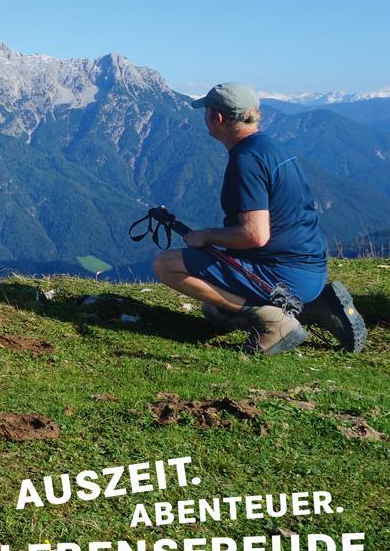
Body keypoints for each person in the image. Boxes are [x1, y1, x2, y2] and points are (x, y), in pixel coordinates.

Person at [151, 82, 367, 355]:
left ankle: (274, 321)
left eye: (206, 112)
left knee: (166, 264)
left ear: (217, 118)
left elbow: (255, 235)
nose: (205, 118)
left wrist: (206, 235)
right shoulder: (270, 147)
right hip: (311, 270)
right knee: (214, 310)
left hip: (283, 275)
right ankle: (315, 306)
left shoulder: (246, 161)